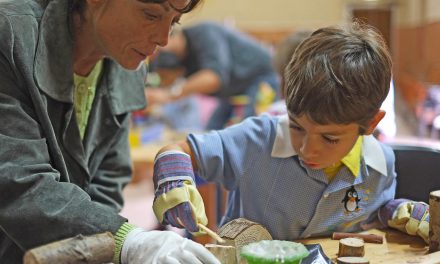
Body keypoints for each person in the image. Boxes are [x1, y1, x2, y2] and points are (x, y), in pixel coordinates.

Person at [151, 22, 430, 243]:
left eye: (329, 138)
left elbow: (372, 217)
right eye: (296, 126)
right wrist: (173, 178)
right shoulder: (258, 138)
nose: (308, 149)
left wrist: (393, 211)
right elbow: (178, 150)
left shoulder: (381, 165)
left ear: (371, 124)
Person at [0, 0, 220, 263]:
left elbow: (108, 179)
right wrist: (125, 239)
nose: (163, 39)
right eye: (151, 15)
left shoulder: (128, 67)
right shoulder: (11, 35)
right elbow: (17, 180)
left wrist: (100, 245)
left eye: (173, 22)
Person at [146, 21, 280, 129]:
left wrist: (169, 94)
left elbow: (214, 78)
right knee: (212, 131)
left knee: (251, 131)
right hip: (233, 91)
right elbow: (169, 80)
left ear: (173, 34)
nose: (162, 47)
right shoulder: (180, 59)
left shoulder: (205, 34)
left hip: (262, 78)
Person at [268, 30, 397, 141]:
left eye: (329, 139)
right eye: (298, 128)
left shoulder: (273, 116)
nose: (307, 151)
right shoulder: (272, 119)